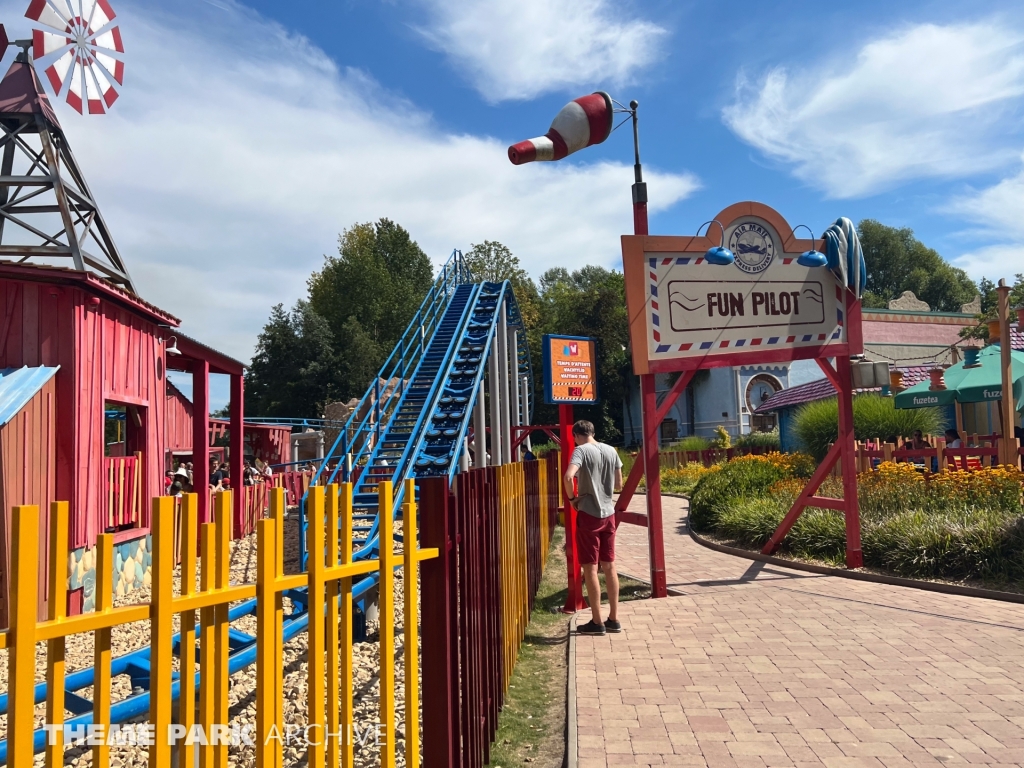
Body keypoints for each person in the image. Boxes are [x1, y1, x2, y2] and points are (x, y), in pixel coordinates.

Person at [563, 420, 623, 636]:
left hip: (589, 514)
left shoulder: (580, 451)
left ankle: (597, 622)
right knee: (609, 566)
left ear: (576, 435)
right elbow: (618, 483)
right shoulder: (610, 450)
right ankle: (614, 619)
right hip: (609, 514)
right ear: (593, 431)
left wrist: (572, 499)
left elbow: (568, 476)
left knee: (590, 568)